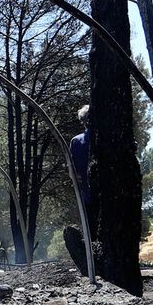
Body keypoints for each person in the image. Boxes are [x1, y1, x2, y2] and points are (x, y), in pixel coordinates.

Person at [63, 105, 96, 276]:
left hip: (88, 195)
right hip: (100, 196)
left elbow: (72, 172)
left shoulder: (77, 141)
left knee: (91, 232)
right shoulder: (108, 138)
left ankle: (92, 268)